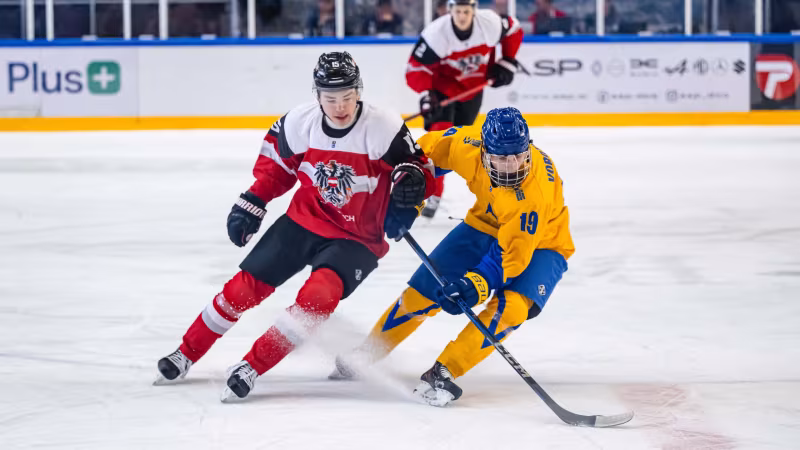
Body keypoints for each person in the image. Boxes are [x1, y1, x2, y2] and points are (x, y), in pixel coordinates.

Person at [155, 51, 434, 401]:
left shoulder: (383, 127)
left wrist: (409, 194)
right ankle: (186, 352)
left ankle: (252, 366)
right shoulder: (298, 123)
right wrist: (254, 201)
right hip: (303, 222)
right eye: (331, 98)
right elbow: (277, 170)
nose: (340, 106)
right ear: (316, 95)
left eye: (348, 97)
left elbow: (421, 170)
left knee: (317, 299)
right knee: (241, 290)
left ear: (359, 91)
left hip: (356, 239)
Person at [331, 107, 575, 406]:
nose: (511, 167)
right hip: (484, 224)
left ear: (528, 149)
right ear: (484, 150)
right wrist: (407, 193)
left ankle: (446, 369)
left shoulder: (532, 197)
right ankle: (368, 352)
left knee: (511, 308)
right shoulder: (466, 143)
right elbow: (422, 155)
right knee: (421, 294)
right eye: (500, 158)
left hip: (542, 245)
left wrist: (476, 284)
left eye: (518, 157)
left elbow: (512, 258)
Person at [406, 0, 523, 218]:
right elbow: (414, 69)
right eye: (458, 11)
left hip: (471, 92)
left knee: (464, 146)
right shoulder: (436, 33)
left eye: (466, 11)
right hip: (442, 94)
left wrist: (507, 61)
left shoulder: (488, 23)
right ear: (450, 11)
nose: (462, 16)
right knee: (439, 146)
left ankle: (490, 195)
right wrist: (426, 93)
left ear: (473, 10)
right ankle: (432, 193)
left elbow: (514, 29)